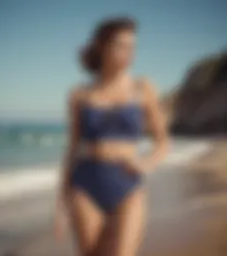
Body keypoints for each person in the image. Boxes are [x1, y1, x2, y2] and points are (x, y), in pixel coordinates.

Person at [55, 17, 169, 256]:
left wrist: (145, 163)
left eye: (132, 47)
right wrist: (61, 203)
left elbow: (163, 142)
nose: (129, 53)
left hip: (127, 184)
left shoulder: (143, 88)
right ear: (102, 47)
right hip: (85, 185)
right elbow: (73, 149)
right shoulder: (79, 94)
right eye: (121, 45)